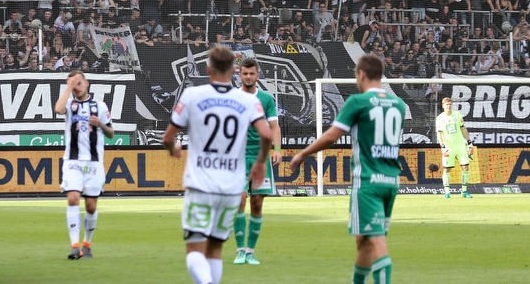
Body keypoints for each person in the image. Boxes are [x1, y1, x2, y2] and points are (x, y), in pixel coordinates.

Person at [290, 54, 405, 284]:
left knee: (377, 242)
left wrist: (303, 153)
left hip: (367, 182)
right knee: (363, 241)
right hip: (391, 181)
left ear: (361, 74)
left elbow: (332, 136)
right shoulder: (399, 105)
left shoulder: (357, 102)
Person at [163, 45, 272, 284]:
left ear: (207, 68)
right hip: (231, 188)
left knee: (194, 251)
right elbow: (266, 134)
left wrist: (174, 149)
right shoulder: (247, 100)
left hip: (201, 185)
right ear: (234, 70)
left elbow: (168, 138)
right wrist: (261, 162)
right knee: (214, 251)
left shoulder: (192, 95)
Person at [55, 70, 114, 260]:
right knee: (72, 198)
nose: (77, 87)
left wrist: (100, 125)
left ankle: (86, 245)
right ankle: (74, 246)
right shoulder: (70, 105)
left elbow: (111, 133)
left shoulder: (100, 105)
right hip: (72, 161)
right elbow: (58, 109)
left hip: (94, 163)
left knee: (90, 206)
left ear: (87, 83)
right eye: (73, 84)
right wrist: (68, 87)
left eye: (79, 83)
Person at [232, 58, 281, 266]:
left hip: (260, 157)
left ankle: (251, 251)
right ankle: (239, 250)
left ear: (257, 75)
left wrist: (278, 149)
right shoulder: (232, 98)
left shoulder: (266, 99)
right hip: (236, 157)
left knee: (257, 203)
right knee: (240, 200)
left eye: (252, 74)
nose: (248, 77)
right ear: (239, 75)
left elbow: (274, 127)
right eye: (245, 73)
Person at [436, 96, 474, 198]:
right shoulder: (439, 118)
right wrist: (442, 147)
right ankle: (447, 192)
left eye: (450, 104)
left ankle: (464, 191)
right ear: (443, 106)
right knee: (447, 169)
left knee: (465, 167)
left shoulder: (457, 115)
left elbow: (463, 129)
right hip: (449, 148)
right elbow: (439, 134)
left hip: (461, 146)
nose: (449, 106)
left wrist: (469, 143)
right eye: (447, 104)